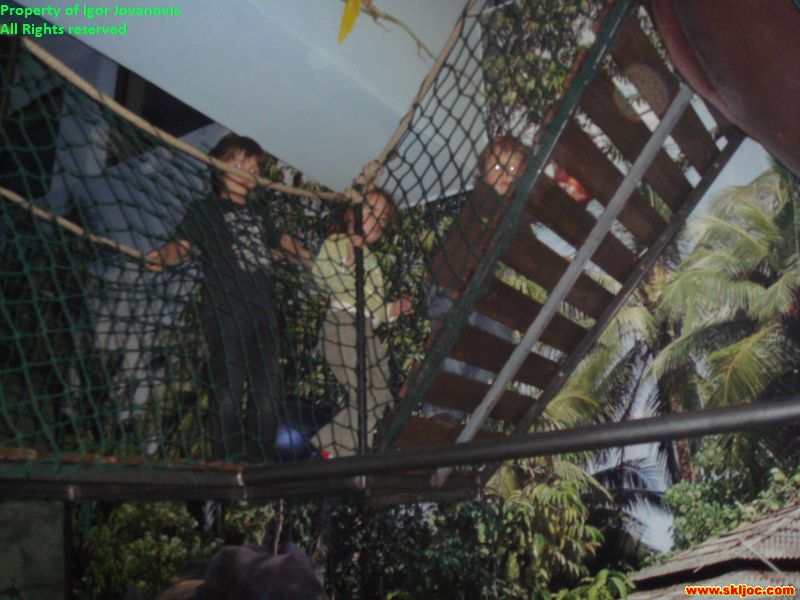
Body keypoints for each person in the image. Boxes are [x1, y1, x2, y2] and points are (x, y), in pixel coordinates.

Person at [146, 133, 307, 462]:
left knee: (267, 395)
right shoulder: (206, 210)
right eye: (239, 165)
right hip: (225, 313)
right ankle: (227, 461)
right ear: (218, 167)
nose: (247, 173)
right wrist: (163, 255)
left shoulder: (260, 212)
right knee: (228, 393)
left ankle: (259, 461)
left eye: (254, 169)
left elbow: (282, 242)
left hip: (263, 316)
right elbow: (182, 247)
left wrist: (302, 255)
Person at [311, 189, 414, 457]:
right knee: (365, 394)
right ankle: (327, 449)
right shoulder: (337, 242)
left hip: (367, 331)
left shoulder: (372, 261)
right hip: (342, 325)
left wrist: (393, 309)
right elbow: (320, 277)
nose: (378, 220)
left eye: (383, 218)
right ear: (350, 214)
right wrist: (346, 262)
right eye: (371, 211)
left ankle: (352, 451)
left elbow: (375, 309)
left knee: (382, 397)